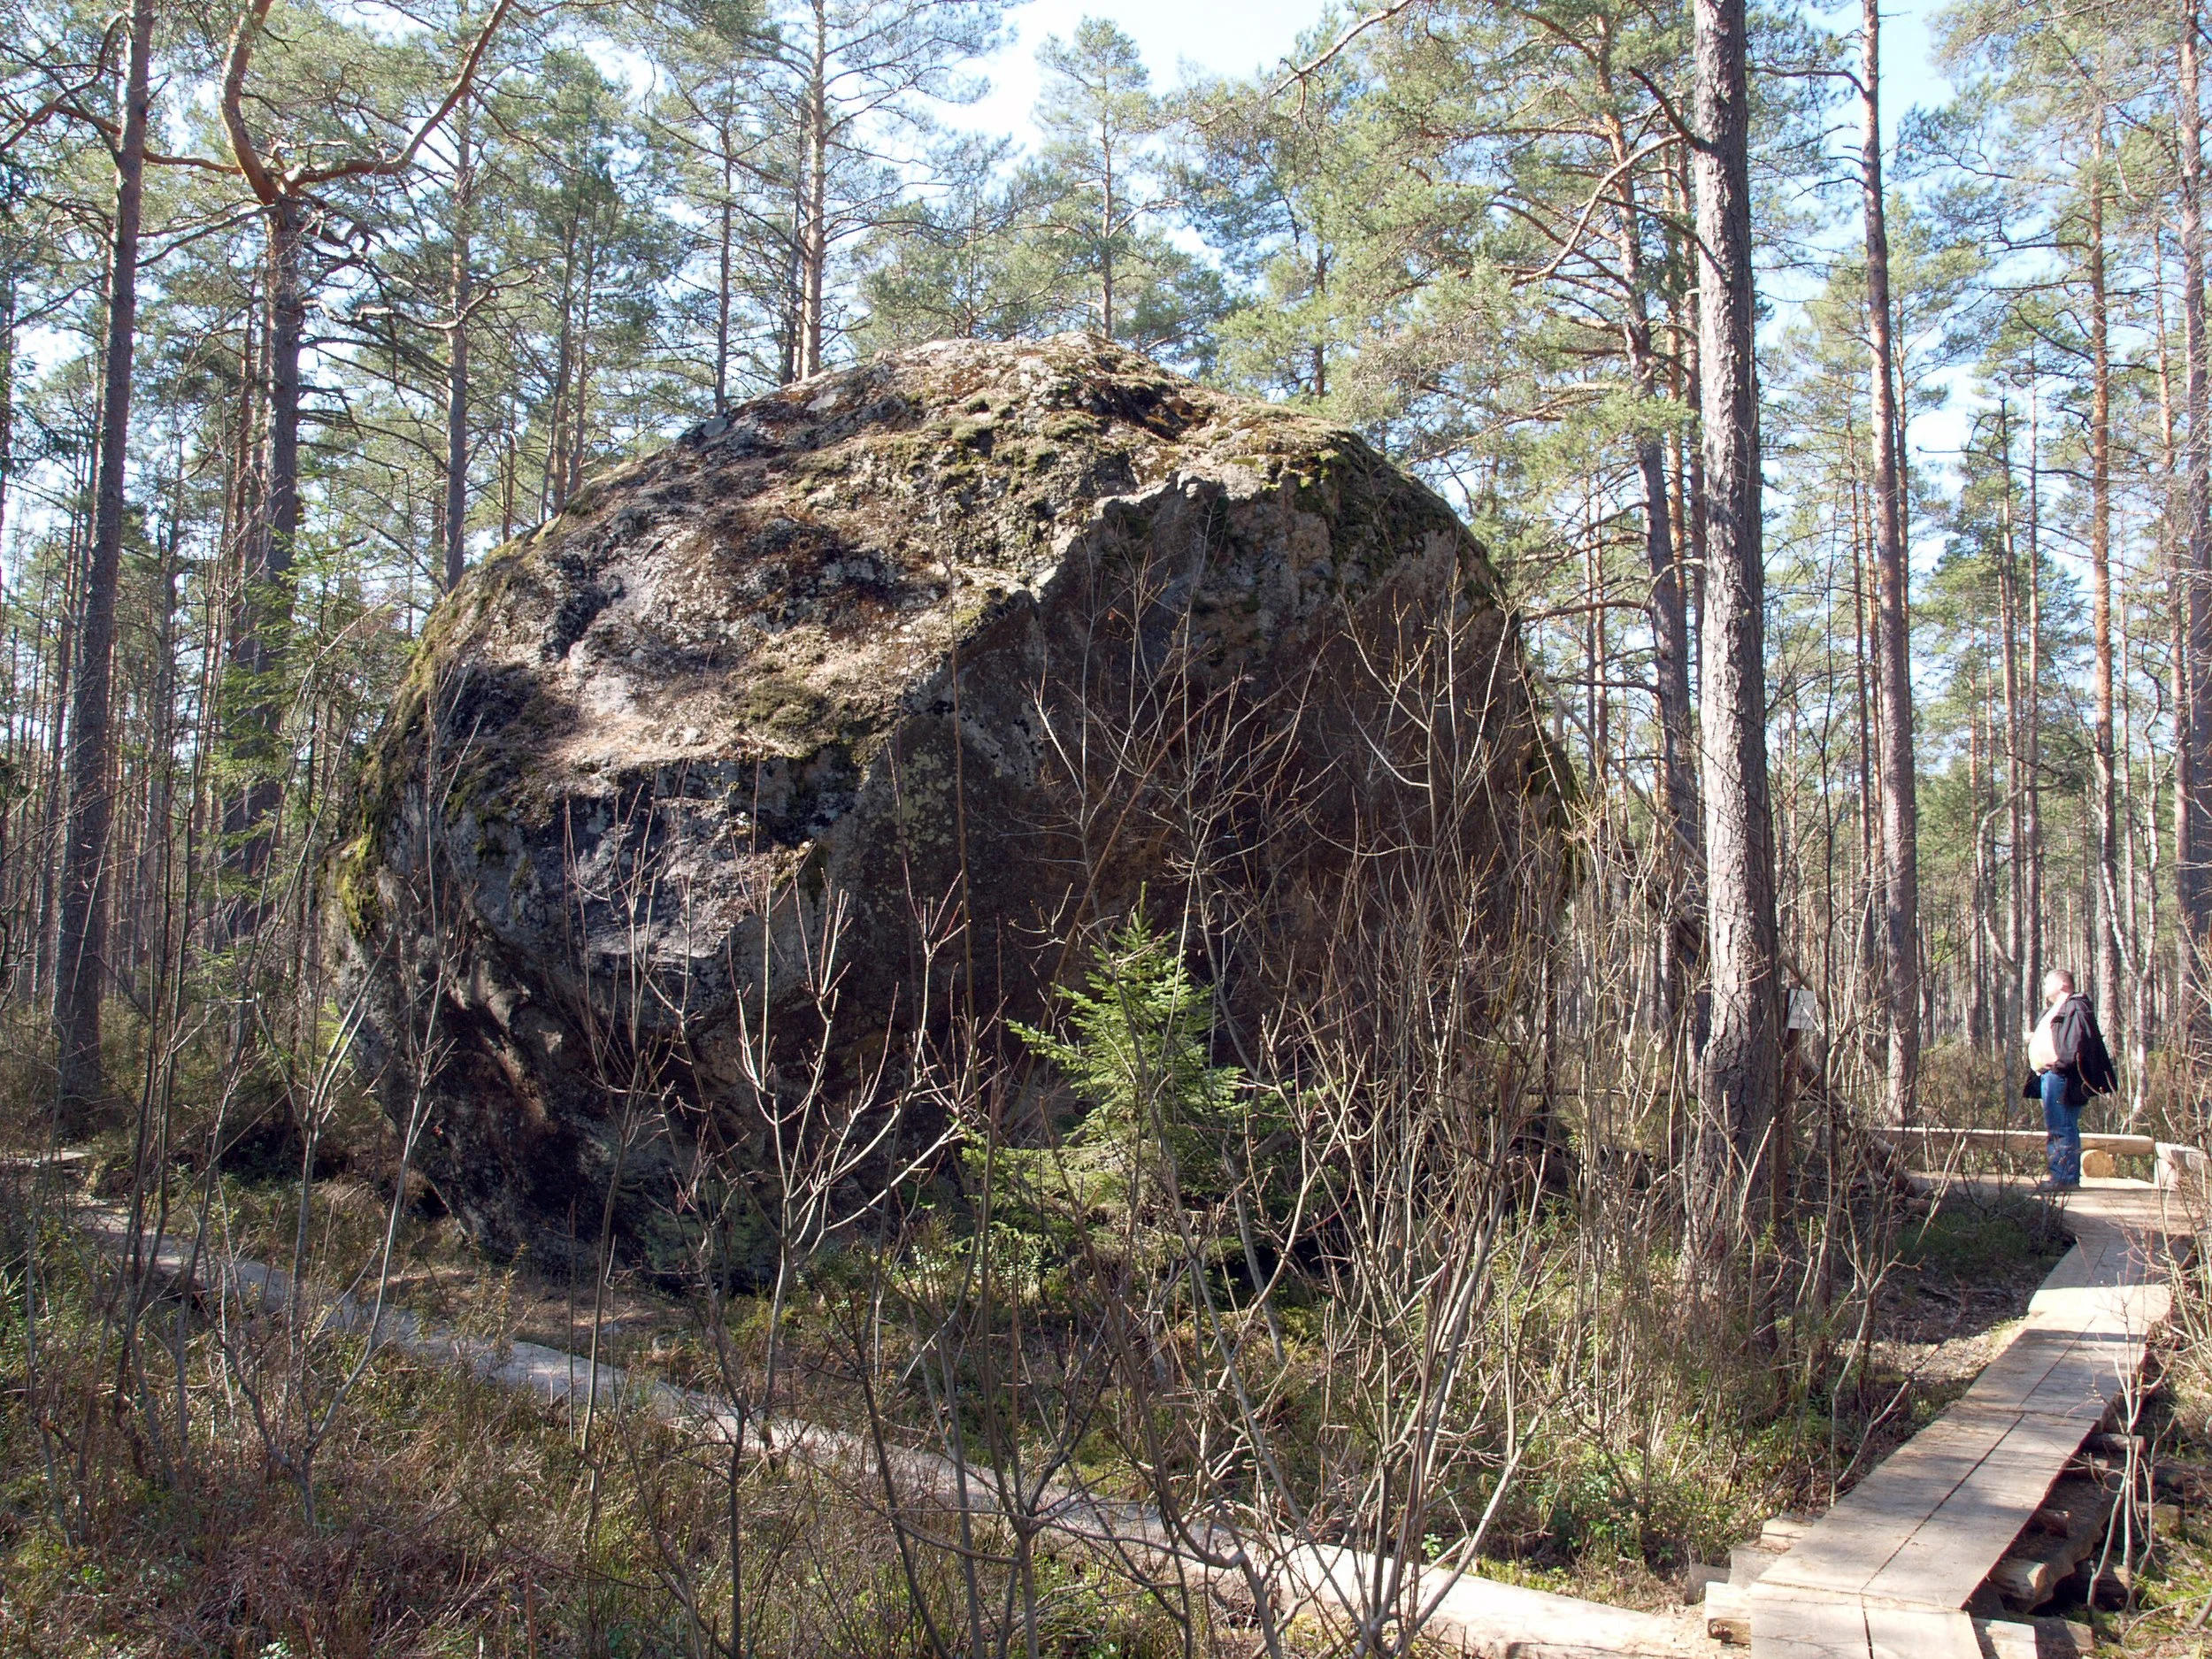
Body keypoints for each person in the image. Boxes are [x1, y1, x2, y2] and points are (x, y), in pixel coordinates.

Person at [2021, 969, 2117, 1192]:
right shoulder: (2054, 1009)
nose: (2045, 987)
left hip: (2062, 1076)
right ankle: (2063, 1175)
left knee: (2062, 1125)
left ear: (2063, 984)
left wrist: (2061, 1064)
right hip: (2048, 1076)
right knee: (2058, 1125)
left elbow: (2077, 1041)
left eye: (2049, 982)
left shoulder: (2075, 1006)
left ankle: (2064, 1178)